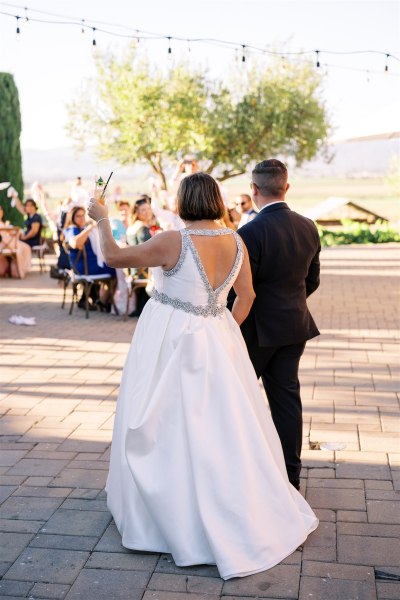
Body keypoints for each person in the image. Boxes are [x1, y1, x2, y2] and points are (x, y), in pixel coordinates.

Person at [88, 171, 318, 581]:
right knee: (221, 425)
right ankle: (230, 505)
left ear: (183, 201)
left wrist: (101, 218)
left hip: (170, 339)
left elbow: (113, 258)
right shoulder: (236, 240)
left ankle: (172, 515)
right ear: (214, 199)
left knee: (165, 421)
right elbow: (246, 296)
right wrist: (220, 325)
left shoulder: (172, 240)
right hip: (216, 340)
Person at [230, 159, 321, 491]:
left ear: (254, 190)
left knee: (236, 398)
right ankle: (290, 476)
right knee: (286, 400)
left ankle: (240, 470)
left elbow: (240, 291)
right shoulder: (309, 227)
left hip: (256, 331)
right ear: (286, 186)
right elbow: (312, 281)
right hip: (295, 326)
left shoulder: (249, 232)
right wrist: (290, 303)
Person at [63, 206, 116, 311]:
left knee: (112, 268)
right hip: (83, 267)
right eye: (78, 216)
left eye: (83, 215)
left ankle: (99, 299)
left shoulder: (81, 229)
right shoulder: (72, 229)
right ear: (72, 218)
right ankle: (104, 301)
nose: (81, 218)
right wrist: (89, 228)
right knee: (116, 271)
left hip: (90, 264)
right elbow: (74, 243)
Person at [126, 197, 162, 316]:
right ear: (137, 212)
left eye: (148, 209)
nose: (147, 212)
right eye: (143, 210)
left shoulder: (131, 227)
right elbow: (147, 248)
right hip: (143, 268)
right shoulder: (142, 228)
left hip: (134, 267)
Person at [0, 204, 32, 278]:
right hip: (4, 244)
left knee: (25, 247)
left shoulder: (3, 222)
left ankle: (15, 269)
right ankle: (17, 270)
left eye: (1, 209)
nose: (1, 211)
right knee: (23, 247)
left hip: (7, 242)